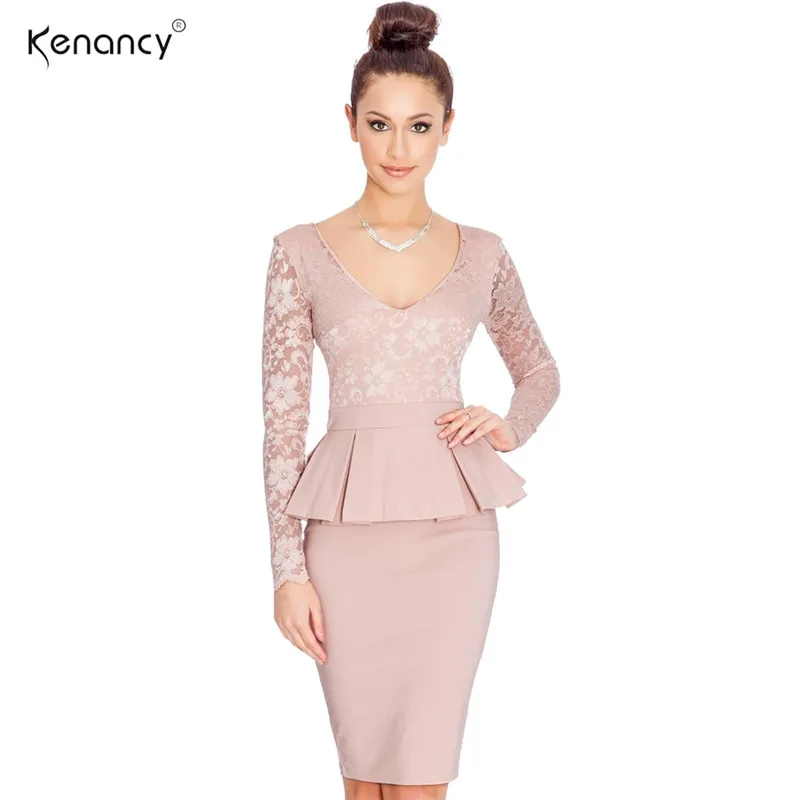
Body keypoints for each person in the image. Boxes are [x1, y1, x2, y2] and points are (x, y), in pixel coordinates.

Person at [262, 3, 561, 798]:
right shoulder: (298, 252)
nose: (399, 149)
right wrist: (287, 571)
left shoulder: (484, 253)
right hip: (343, 542)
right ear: (350, 124)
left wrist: (509, 426)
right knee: (364, 783)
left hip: (455, 539)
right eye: (381, 125)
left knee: (423, 778)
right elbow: (282, 424)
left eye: (419, 127)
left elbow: (540, 372)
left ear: (447, 129)